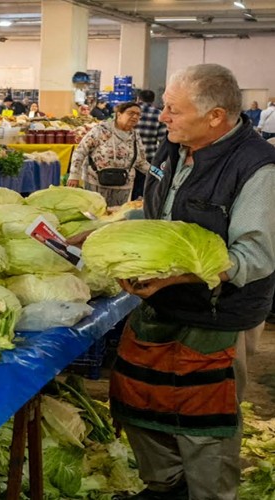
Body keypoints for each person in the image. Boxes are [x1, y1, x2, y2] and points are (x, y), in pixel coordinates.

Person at [111, 64, 275, 500]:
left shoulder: (258, 169)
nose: (161, 117)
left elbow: (254, 257)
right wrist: (103, 232)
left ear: (215, 117)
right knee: (141, 403)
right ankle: (164, 487)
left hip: (218, 315)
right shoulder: (173, 148)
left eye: (172, 109)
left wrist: (176, 277)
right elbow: (158, 216)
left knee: (205, 421)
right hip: (162, 304)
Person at [67, 102, 150, 206]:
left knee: (116, 217)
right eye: (131, 113)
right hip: (96, 183)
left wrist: (159, 174)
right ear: (119, 114)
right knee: (96, 216)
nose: (135, 117)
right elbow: (80, 151)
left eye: (138, 114)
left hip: (123, 186)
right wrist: (74, 175)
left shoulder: (135, 136)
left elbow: (141, 162)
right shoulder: (100, 130)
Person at [134, 90, 167, 199]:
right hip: (148, 157)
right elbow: (162, 139)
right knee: (144, 186)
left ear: (138, 98)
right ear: (152, 100)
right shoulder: (159, 114)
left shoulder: (130, 112)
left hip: (129, 157)